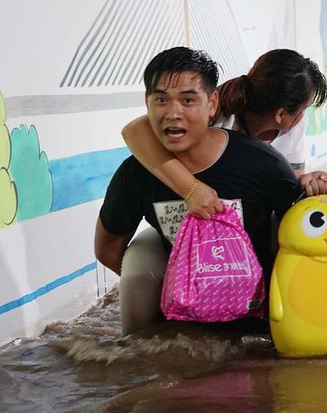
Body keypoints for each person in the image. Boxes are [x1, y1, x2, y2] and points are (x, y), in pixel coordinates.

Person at [94, 47, 307, 335]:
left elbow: (304, 232)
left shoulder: (262, 163)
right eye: (161, 100)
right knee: (139, 261)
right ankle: (142, 346)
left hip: (255, 315)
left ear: (211, 103)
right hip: (183, 316)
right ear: (147, 103)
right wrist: (184, 284)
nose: (173, 113)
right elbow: (108, 249)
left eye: (188, 100)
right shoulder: (135, 174)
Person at [122, 49, 327, 220]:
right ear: (280, 114)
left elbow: (287, 186)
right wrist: (191, 189)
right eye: (303, 107)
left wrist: (308, 183)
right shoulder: (217, 112)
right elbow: (134, 131)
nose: (303, 115)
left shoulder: (294, 128)